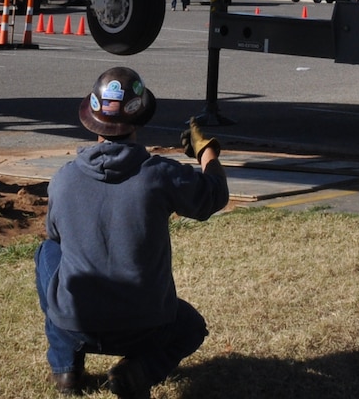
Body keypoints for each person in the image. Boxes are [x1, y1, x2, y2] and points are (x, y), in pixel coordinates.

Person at [36, 67, 227, 396]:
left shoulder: (63, 179)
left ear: (91, 118)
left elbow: (55, 233)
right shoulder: (159, 176)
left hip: (76, 323)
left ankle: (66, 367)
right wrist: (205, 150)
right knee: (191, 328)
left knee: (48, 253)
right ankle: (137, 371)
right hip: (146, 327)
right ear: (139, 120)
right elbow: (214, 196)